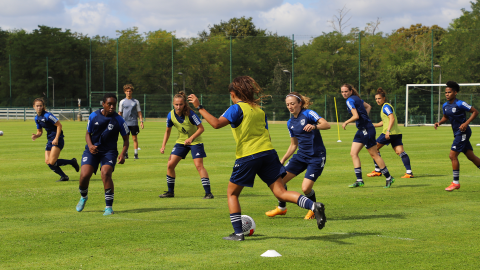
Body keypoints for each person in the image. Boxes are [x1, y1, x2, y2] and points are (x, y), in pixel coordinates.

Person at [188, 76, 326, 241]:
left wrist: (199, 107)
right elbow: (266, 133)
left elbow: (216, 124)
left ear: (233, 94)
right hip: (268, 153)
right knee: (281, 192)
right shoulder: (259, 110)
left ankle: (238, 233)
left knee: (232, 194)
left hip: (248, 155)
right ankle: (313, 205)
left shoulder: (236, 108)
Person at [265, 92, 330, 220]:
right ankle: (281, 208)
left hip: (316, 157)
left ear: (300, 103)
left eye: (293, 104)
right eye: (288, 104)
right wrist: (282, 160)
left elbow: (326, 125)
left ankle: (313, 210)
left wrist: (314, 126)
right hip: (301, 156)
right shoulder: (290, 123)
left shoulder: (308, 113)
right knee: (279, 182)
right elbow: (293, 145)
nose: (290, 107)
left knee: (305, 188)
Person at [76, 93, 129, 216]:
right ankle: (84, 197)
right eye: (109, 104)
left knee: (105, 173)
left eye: (114, 104)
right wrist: (90, 146)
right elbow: (87, 134)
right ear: (103, 104)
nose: (111, 107)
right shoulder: (94, 116)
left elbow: (126, 139)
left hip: (109, 152)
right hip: (92, 150)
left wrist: (122, 153)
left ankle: (108, 207)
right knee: (84, 175)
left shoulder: (119, 120)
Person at [159, 91, 214, 199]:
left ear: (184, 104)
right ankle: (170, 192)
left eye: (181, 104)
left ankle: (208, 193)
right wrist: (163, 145)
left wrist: (191, 138)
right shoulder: (170, 115)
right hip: (181, 142)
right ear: (173, 104)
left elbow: (201, 128)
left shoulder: (191, 114)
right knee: (170, 165)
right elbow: (167, 131)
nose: (178, 107)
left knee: (199, 166)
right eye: (176, 104)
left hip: (195, 142)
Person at [341, 83, 395, 188]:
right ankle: (359, 180)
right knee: (353, 153)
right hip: (361, 130)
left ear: (351, 91)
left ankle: (389, 177)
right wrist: (364, 118)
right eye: (342, 92)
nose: (344, 93)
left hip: (366, 130)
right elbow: (368, 106)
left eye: (346, 91)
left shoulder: (350, 100)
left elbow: (356, 116)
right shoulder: (356, 98)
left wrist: (346, 122)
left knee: (374, 154)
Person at [434, 81, 480, 191]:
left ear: (455, 93)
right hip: (457, 133)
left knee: (452, 155)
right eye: (445, 92)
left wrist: (466, 123)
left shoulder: (460, 104)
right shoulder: (445, 105)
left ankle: (455, 183)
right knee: (471, 156)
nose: (447, 94)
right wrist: (439, 123)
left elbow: (475, 112)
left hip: (463, 132)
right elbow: (446, 117)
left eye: (449, 92)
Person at [368, 88, 414, 179]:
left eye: (379, 98)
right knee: (400, 152)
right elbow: (384, 121)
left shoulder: (386, 106)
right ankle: (409, 172)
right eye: (376, 99)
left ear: (384, 98)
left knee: (373, 148)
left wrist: (388, 131)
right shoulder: (385, 107)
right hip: (396, 133)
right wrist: (374, 126)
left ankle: (377, 170)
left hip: (389, 133)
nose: (377, 100)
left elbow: (392, 118)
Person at [31, 98, 79, 182]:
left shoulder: (48, 115)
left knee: (52, 162)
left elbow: (59, 125)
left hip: (58, 138)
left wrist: (56, 138)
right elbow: (39, 132)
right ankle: (64, 176)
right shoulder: (37, 118)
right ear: (34, 106)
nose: (39, 107)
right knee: (47, 161)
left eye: (40, 106)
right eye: (37, 106)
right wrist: (36, 136)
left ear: (43, 107)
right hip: (50, 139)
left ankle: (72, 162)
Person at [119, 84, 144, 159]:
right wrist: (118, 122)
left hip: (133, 123)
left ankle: (136, 154)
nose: (128, 92)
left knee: (134, 139)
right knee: (126, 139)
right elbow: (120, 113)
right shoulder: (122, 102)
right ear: (125, 92)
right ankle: (125, 154)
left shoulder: (136, 101)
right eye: (127, 91)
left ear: (132, 92)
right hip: (125, 123)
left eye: (130, 91)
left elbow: (139, 112)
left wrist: (141, 121)